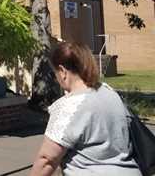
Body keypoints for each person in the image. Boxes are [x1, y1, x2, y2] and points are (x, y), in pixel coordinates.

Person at [29, 41, 141, 176]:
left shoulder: (69, 106)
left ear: (63, 71)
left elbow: (47, 160)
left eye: (55, 73)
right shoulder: (110, 93)